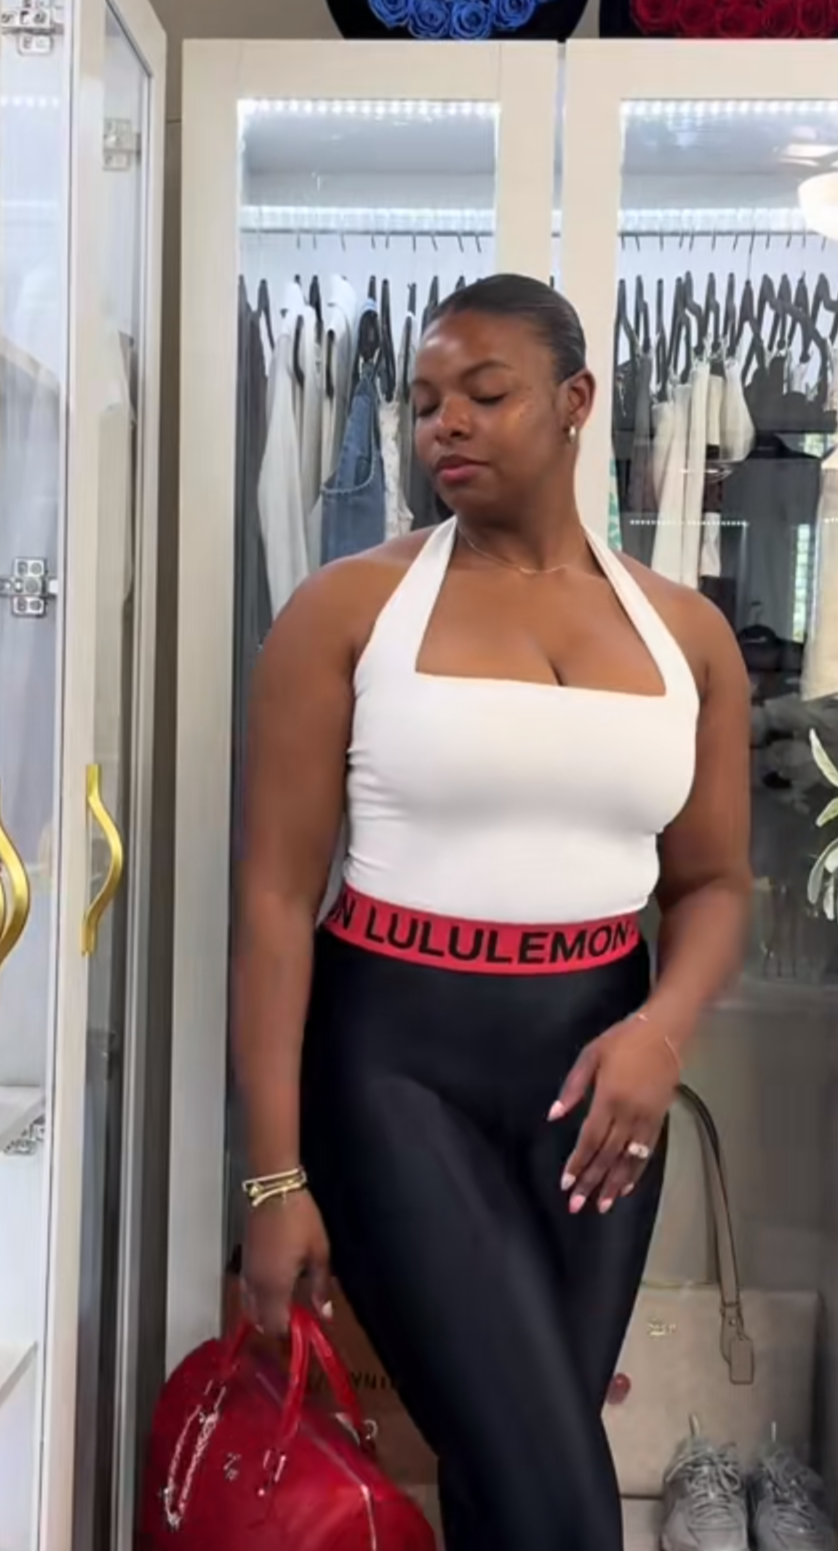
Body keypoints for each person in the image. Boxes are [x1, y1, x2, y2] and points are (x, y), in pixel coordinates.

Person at [235, 274, 751, 1551]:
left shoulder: (686, 634)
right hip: (396, 1072)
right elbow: (273, 896)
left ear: (575, 403)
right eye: (421, 405)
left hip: (600, 1087)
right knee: (558, 1505)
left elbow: (713, 884)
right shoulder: (346, 609)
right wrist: (273, 1177)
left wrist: (660, 1032)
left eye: (483, 393)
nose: (440, 427)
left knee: (511, 1471)